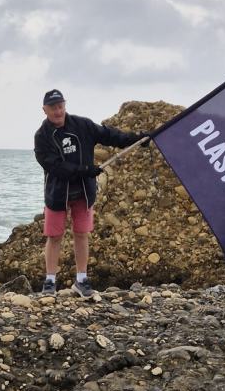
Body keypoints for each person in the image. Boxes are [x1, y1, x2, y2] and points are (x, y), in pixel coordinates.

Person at [34, 89, 148, 297]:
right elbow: (55, 166)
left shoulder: (82, 125)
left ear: (64, 105)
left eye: (60, 106)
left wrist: (136, 139)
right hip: (57, 193)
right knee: (55, 236)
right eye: (53, 108)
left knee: (81, 234)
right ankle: (50, 281)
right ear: (45, 110)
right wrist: (85, 170)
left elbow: (109, 135)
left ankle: (81, 279)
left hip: (84, 192)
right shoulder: (41, 137)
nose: (58, 111)